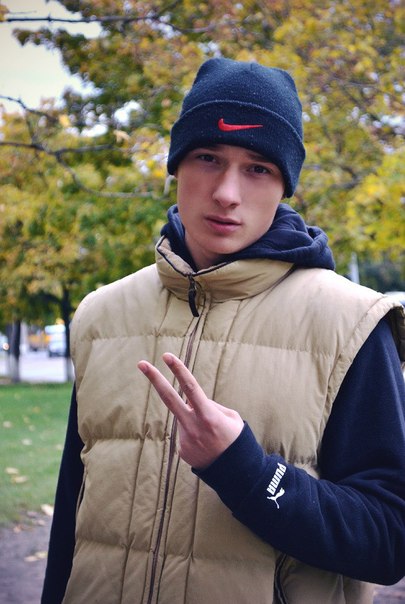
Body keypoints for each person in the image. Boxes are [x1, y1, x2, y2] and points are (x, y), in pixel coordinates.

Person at [42, 58, 405, 604]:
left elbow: (388, 541)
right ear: (176, 166)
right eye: (208, 158)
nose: (227, 193)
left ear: (284, 185)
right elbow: (72, 517)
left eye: (258, 168)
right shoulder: (102, 314)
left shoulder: (350, 324)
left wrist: (247, 472)